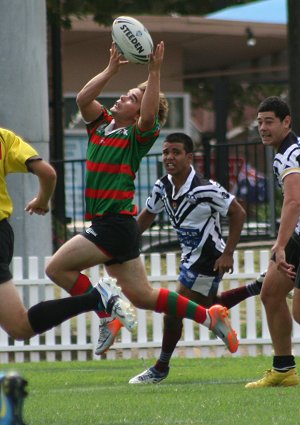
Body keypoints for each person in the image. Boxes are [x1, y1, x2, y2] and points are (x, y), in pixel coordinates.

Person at [45, 42, 239, 357]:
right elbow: (83, 99)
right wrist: (110, 69)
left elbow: (148, 116)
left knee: (56, 268)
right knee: (144, 296)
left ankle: (106, 311)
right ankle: (209, 316)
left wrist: (154, 71)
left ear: (137, 112)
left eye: (131, 98)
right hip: (117, 227)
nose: (122, 97)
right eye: (125, 95)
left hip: (114, 224)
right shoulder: (100, 127)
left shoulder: (137, 135)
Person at [97, 132, 263, 382]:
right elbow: (146, 216)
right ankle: (255, 287)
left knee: (173, 311)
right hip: (189, 258)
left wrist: (228, 253)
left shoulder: (206, 189)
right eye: (165, 152)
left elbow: (237, 213)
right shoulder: (162, 186)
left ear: (189, 157)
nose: (169, 157)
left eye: (175, 152)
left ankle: (160, 368)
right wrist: (123, 242)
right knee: (206, 307)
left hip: (208, 258)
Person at [1, 127, 129, 423]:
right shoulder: (4, 137)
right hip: (1, 232)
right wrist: (43, 200)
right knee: (19, 328)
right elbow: (48, 173)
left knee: (19, 327)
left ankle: (97, 298)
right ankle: (96, 298)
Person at [244, 96, 300, 388]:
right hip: (298, 236)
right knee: (271, 294)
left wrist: (279, 244)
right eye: (259, 122)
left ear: (286, 122)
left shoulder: (289, 155)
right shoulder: (290, 150)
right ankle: (284, 370)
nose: (263, 128)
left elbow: (293, 201)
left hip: (295, 236)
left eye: (269, 122)